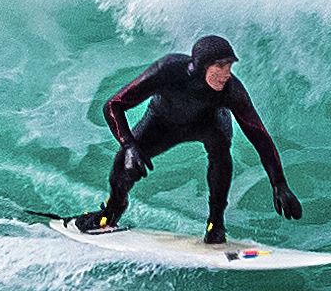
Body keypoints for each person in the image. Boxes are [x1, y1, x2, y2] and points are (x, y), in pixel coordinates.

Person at [74, 33, 301, 241]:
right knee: (123, 162)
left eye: (229, 66)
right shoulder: (168, 70)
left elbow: (259, 136)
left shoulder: (231, 90)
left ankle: (216, 223)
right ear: (202, 66)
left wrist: (279, 183)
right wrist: (129, 146)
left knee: (221, 149)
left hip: (208, 125)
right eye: (220, 66)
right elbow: (113, 105)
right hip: (162, 122)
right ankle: (112, 211)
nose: (226, 74)